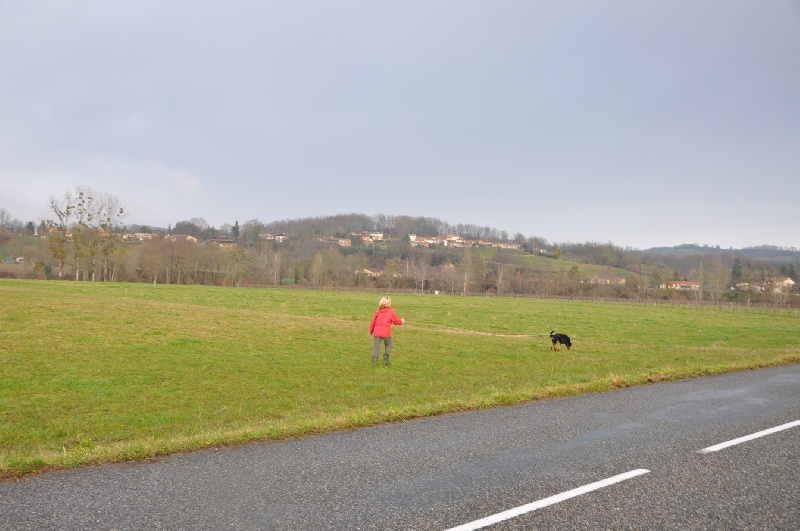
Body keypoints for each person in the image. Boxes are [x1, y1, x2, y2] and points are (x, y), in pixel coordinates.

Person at [369, 296, 405, 365]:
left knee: (377, 346)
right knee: (388, 345)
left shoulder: (378, 311)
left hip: (377, 332)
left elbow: (373, 322)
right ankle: (385, 361)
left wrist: (371, 331)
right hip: (386, 333)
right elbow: (397, 321)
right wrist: (402, 321)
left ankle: (374, 361)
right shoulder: (391, 312)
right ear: (389, 303)